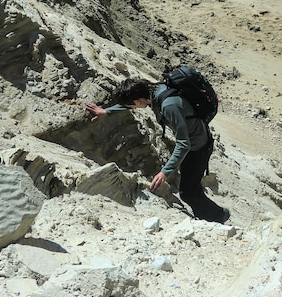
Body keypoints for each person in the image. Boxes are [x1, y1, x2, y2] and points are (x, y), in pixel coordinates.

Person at [86, 77, 230, 223]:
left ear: (136, 101)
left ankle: (219, 217)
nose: (134, 107)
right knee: (190, 185)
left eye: (133, 105)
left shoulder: (168, 106)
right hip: (194, 141)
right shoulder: (154, 91)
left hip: (198, 147)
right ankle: (206, 216)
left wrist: (164, 172)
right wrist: (106, 111)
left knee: (188, 193)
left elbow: (183, 143)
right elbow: (131, 104)